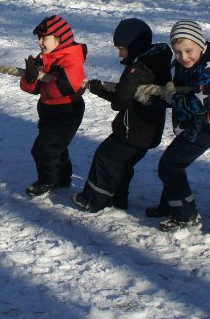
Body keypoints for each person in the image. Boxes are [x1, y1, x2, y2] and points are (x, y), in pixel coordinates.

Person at [73, 19, 172, 213]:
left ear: (134, 46)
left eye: (121, 48)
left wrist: (101, 90)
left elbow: (119, 101)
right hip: (145, 131)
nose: (119, 53)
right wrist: (100, 88)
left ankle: (93, 199)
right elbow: (125, 95)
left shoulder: (139, 71)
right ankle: (118, 200)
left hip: (133, 131)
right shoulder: (154, 62)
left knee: (105, 158)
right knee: (122, 165)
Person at [146, 20, 210, 232]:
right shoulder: (189, 62)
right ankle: (170, 205)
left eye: (188, 50)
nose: (184, 57)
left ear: (201, 44)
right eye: (178, 52)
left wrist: (171, 96)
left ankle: (185, 214)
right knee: (171, 162)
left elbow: (197, 104)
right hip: (192, 125)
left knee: (170, 165)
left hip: (206, 127)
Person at [20, 14, 87, 197]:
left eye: (44, 38)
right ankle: (63, 178)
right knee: (56, 147)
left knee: (43, 149)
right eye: (39, 38)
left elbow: (70, 87)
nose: (40, 42)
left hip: (67, 111)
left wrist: (49, 74)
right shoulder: (46, 57)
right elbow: (31, 89)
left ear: (60, 38)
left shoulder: (71, 58)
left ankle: (47, 180)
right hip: (48, 109)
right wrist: (30, 77)